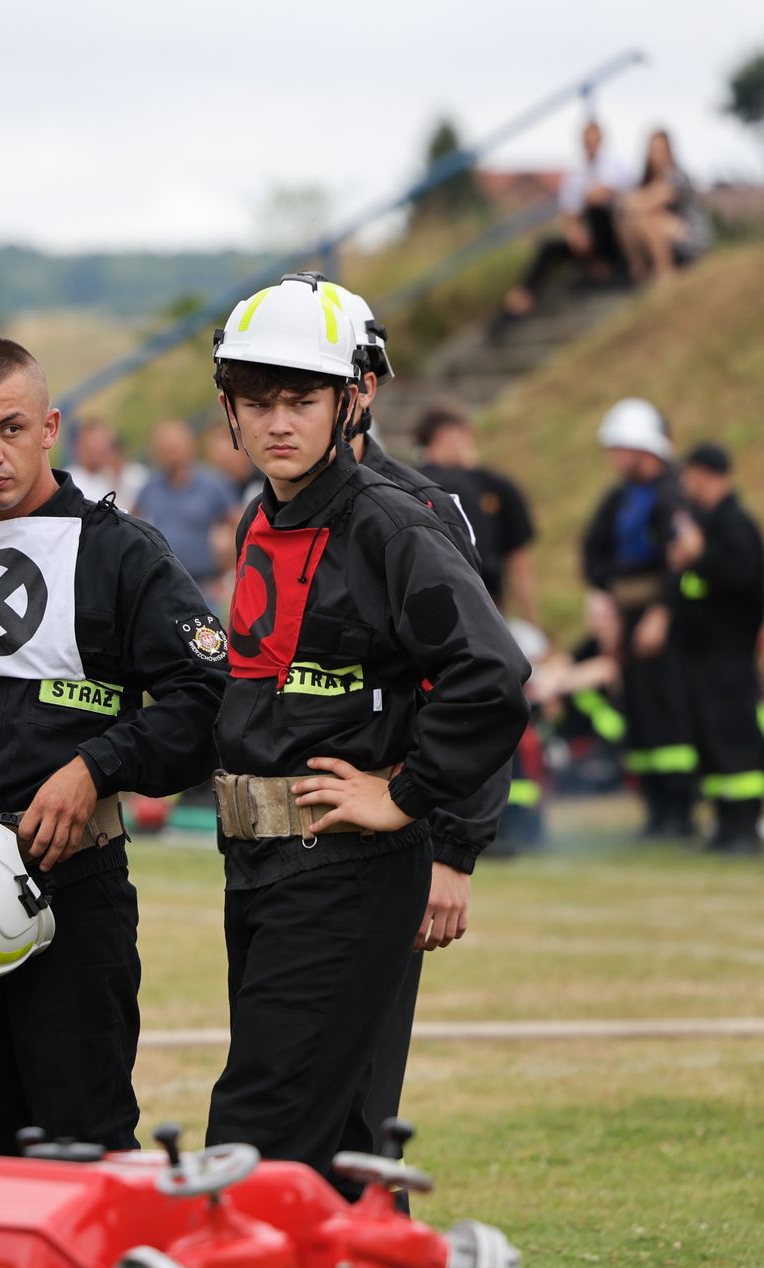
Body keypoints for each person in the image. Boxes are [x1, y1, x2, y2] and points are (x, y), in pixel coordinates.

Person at [0, 338, 227, 1162]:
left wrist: (99, 766)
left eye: (12, 428)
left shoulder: (123, 555)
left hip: (73, 896)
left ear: (51, 425)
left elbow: (207, 700)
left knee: (84, 1144)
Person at [203, 275, 527, 1189]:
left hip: (340, 868)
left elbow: (487, 674)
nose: (276, 422)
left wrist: (413, 803)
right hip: (260, 862)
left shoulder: (393, 520)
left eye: (300, 399)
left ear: (357, 395)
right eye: (254, 401)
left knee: (259, 1137)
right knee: (340, 1144)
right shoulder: (264, 510)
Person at [581, 398, 696, 837]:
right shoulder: (619, 497)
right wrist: (601, 598)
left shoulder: (673, 493)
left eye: (619, 448)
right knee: (639, 711)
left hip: (663, 620)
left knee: (670, 712)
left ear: (641, 448)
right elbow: (594, 551)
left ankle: (680, 812)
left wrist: (661, 613)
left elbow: (679, 562)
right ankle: (655, 811)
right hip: (627, 617)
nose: (613, 458)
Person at [669, 442, 764, 854]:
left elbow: (738, 580)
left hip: (729, 654)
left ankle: (745, 824)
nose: (683, 483)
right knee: (711, 739)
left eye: (688, 474)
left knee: (734, 738)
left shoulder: (734, 525)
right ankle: (725, 822)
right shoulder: (706, 523)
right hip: (702, 654)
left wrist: (699, 557)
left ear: (706, 474)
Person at [415, 403, 540, 624]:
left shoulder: (402, 485)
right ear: (447, 436)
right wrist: (532, 621)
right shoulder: (489, 484)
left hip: (423, 606)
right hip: (483, 602)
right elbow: (519, 560)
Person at [500, 120, 636, 319]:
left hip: (617, 235)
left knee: (597, 212)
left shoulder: (615, 163)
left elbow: (597, 198)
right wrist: (574, 233)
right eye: (586, 141)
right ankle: (524, 296)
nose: (590, 145)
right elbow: (569, 213)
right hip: (591, 239)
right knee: (549, 247)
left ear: (601, 140)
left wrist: (580, 209)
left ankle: (608, 267)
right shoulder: (576, 172)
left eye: (593, 140)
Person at [135, 419, 242, 597]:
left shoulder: (214, 483)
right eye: (163, 448)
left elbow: (242, 526)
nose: (170, 454)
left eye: (174, 447)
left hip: (207, 588)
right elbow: (132, 524)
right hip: (164, 587)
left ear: (190, 446)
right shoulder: (149, 488)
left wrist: (229, 574)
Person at [618, 129, 712, 285]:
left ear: (670, 151)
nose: (657, 155)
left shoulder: (678, 177)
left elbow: (647, 202)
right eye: (653, 150)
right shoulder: (646, 181)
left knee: (651, 218)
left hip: (691, 239)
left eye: (661, 150)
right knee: (627, 222)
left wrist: (630, 201)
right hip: (669, 235)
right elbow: (626, 206)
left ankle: (665, 275)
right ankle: (640, 275)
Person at [66, 417, 149, 511]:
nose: (100, 447)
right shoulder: (72, 481)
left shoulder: (118, 475)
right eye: (94, 441)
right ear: (80, 446)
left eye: (103, 440)